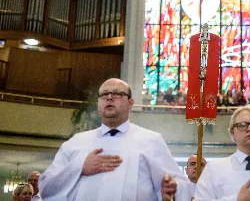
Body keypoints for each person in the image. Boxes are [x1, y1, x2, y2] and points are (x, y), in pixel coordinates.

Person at [39, 78, 190, 201]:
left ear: (130, 103)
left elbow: (178, 185)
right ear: (99, 103)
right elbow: (46, 188)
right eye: (104, 94)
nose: (109, 97)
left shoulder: (151, 140)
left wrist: (171, 189)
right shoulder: (75, 142)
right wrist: (79, 167)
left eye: (117, 93)